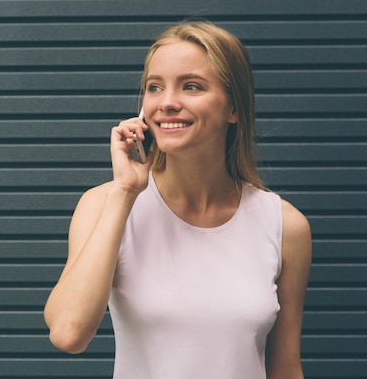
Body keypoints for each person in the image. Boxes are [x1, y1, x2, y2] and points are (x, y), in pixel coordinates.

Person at [44, 20, 312, 379]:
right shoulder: (105, 205)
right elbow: (67, 333)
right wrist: (125, 192)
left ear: (233, 108)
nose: (167, 103)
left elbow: (286, 366)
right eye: (155, 87)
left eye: (191, 86)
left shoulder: (284, 225)